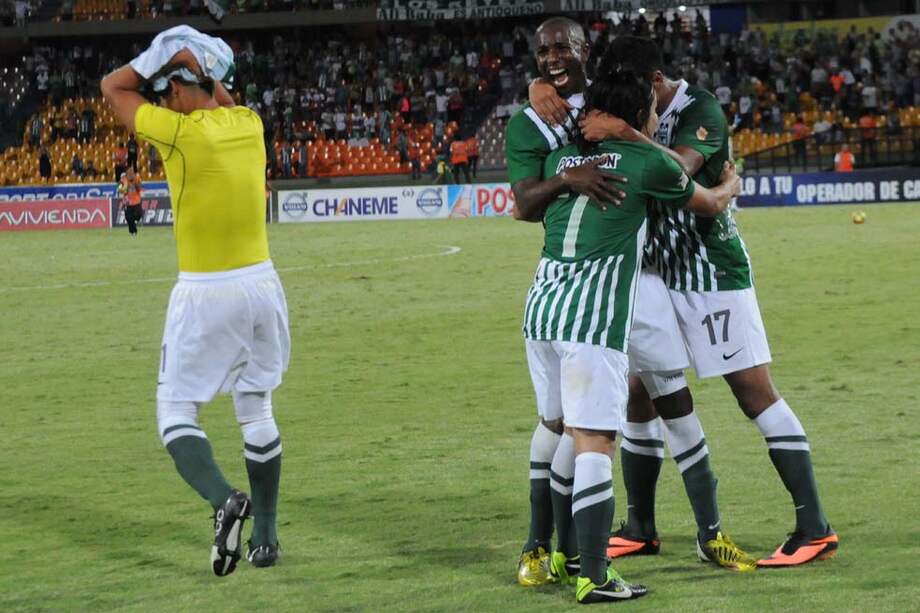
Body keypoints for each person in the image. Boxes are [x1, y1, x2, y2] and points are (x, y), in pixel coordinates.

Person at [545, 35, 838, 568]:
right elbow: (569, 100)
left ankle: (813, 525)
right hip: (652, 273)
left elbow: (678, 169)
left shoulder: (700, 108)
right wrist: (540, 85)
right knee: (636, 392)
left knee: (753, 392)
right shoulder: (630, 102)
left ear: (653, 83)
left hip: (710, 273)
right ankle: (640, 525)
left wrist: (628, 132)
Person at [514, 51, 741, 603]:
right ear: (640, 115)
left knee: (564, 429)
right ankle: (594, 572)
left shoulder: (565, 159)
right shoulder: (648, 163)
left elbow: (525, 204)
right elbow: (705, 200)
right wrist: (732, 185)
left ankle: (559, 552)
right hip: (594, 316)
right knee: (596, 442)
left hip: (541, 309)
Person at [101, 26, 290, 576]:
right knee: (256, 408)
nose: (163, 101)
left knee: (175, 412)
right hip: (263, 286)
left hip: (207, 291)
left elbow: (114, 88)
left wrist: (160, 56)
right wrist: (199, 68)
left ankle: (223, 500)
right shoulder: (249, 124)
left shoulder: (182, 134)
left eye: (167, 92)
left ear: (181, 89)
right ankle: (267, 537)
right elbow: (221, 99)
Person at [505, 17, 628, 588]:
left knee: (600, 426)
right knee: (562, 423)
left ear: (585, 51)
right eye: (543, 52)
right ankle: (538, 545)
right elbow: (523, 205)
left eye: (563, 48)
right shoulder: (527, 121)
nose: (552, 59)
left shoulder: (609, 95)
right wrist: (568, 179)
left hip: (622, 274)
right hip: (569, 287)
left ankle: (573, 553)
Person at [119, 167, 144, 236]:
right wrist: (123, 189)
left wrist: (136, 184)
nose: (130, 175)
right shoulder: (123, 180)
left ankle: (136, 222)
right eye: (129, 173)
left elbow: (140, 188)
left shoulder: (137, 179)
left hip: (136, 201)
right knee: (128, 218)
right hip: (128, 202)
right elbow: (120, 189)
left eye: (131, 173)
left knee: (138, 215)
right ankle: (132, 232)